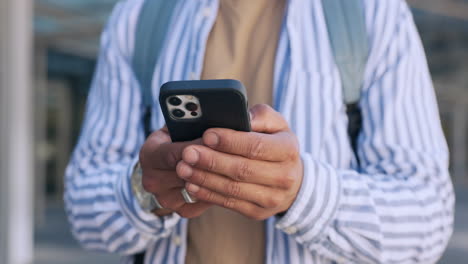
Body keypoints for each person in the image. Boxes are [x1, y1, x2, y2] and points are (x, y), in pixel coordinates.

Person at [64, 0, 455, 263]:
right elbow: (82, 203)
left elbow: (429, 216)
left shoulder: (372, 12)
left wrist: (302, 192)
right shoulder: (139, 14)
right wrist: (146, 192)